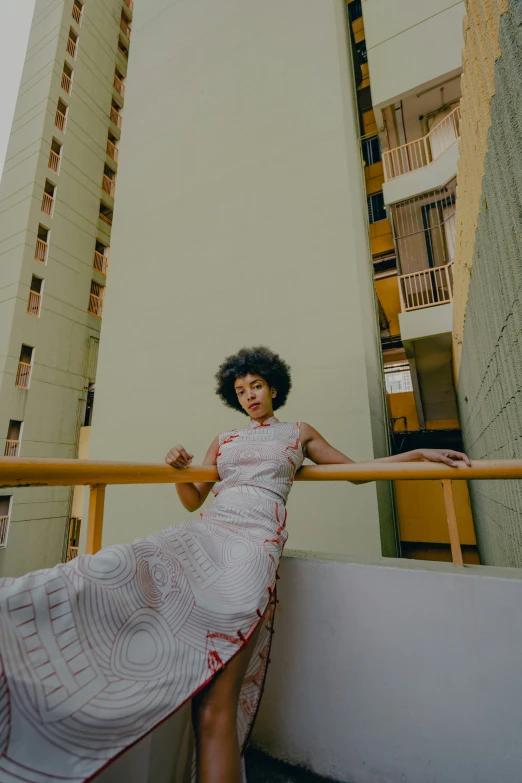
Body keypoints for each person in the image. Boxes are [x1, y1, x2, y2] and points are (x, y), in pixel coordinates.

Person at [0, 346, 470, 783]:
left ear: (273, 388)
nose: (250, 396)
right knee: (116, 568)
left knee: (214, 700)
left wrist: (417, 453)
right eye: (241, 390)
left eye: (257, 386)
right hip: (206, 533)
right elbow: (191, 501)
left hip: (254, 547)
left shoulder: (298, 433)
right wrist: (177, 469)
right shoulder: (223, 440)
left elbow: (354, 473)